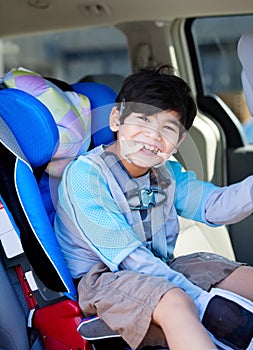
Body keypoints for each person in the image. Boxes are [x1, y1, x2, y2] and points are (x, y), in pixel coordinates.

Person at [54, 65, 253, 350]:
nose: (153, 136)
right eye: (143, 120)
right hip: (104, 278)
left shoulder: (167, 172)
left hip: (159, 265)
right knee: (176, 301)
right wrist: (202, 301)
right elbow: (128, 257)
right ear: (116, 120)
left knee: (244, 279)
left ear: (179, 141)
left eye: (168, 128)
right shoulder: (86, 177)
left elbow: (214, 207)